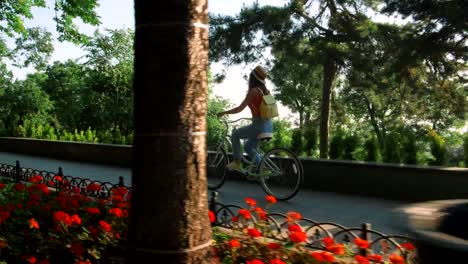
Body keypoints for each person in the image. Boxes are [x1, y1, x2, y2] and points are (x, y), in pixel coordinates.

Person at [216, 65, 274, 172]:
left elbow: (239, 108)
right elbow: (266, 111)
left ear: (252, 78)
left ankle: (237, 163)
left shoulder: (254, 92)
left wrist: (224, 112)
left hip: (258, 126)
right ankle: (263, 168)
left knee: (235, 134)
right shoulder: (267, 92)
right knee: (248, 147)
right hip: (269, 126)